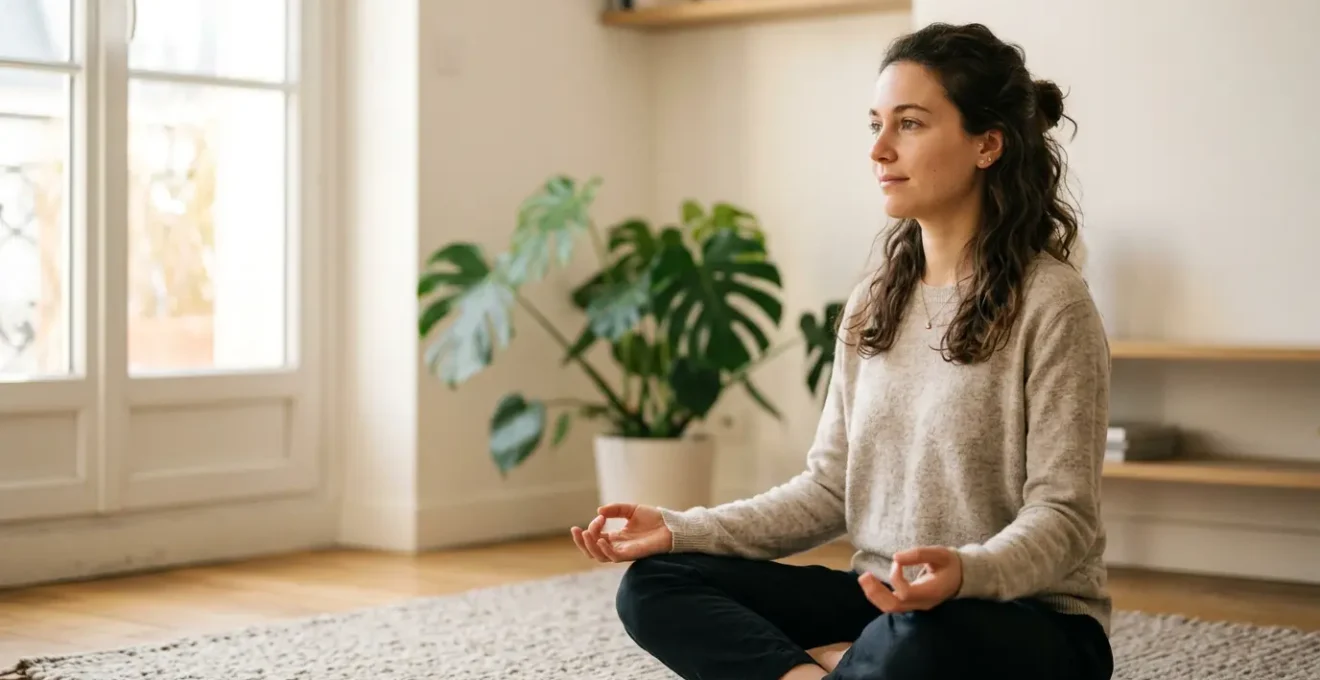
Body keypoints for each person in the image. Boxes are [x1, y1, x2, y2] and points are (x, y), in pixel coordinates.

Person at [570, 21, 1114, 680]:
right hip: (885, 607)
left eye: (909, 124)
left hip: (1019, 620)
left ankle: (849, 663)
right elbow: (828, 491)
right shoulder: (874, 302)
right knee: (655, 583)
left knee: (922, 643)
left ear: (987, 145)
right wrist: (680, 528)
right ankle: (829, 670)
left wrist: (967, 572)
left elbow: (1063, 518)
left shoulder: (1054, 304)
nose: (879, 150)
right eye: (875, 125)